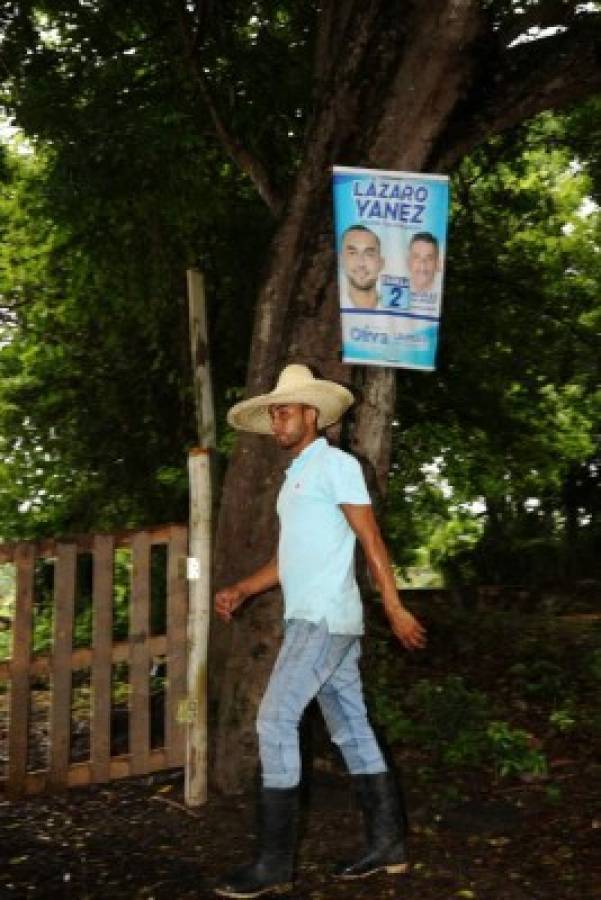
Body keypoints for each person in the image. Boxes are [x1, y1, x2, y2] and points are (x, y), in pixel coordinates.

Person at [213, 363, 426, 899]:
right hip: (312, 618)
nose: (277, 419)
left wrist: (394, 606)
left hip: (324, 619)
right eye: (274, 413)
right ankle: (388, 846)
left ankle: (272, 864)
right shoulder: (294, 480)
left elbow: (371, 540)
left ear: (312, 414)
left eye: (284, 410)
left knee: (274, 720)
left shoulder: (336, 465)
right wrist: (243, 589)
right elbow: (288, 560)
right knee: (352, 728)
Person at [339, 224, 385, 309]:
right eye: (352, 253)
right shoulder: (331, 310)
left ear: (381, 263)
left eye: (369, 254)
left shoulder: (394, 312)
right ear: (341, 261)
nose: (361, 263)